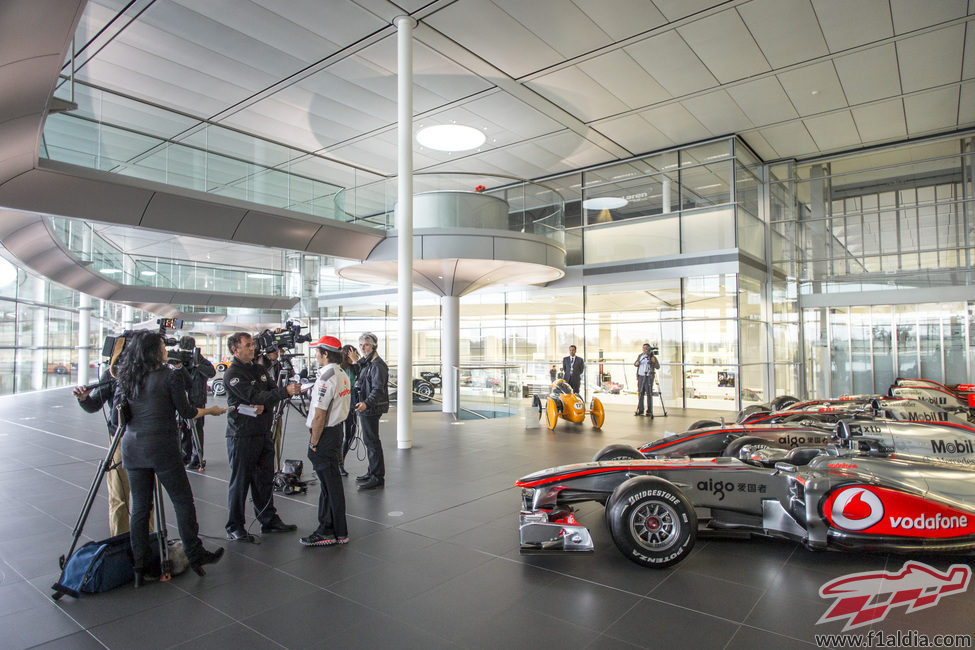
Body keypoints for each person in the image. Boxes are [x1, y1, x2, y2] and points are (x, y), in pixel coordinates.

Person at [114, 331, 225, 586]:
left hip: (133, 449)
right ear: (155, 351)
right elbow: (186, 411)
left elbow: (117, 418)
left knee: (140, 509)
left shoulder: (127, 377)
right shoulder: (170, 377)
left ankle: (140, 565)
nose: (167, 350)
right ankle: (195, 554)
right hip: (162, 448)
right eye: (163, 346)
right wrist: (210, 410)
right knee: (182, 501)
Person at [223, 332, 301, 541]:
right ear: (235, 349)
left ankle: (268, 519)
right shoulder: (233, 374)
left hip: (262, 432)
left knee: (264, 479)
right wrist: (272, 396)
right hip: (242, 435)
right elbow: (255, 396)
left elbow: (270, 392)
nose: (252, 348)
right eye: (248, 345)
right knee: (240, 482)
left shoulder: (259, 370)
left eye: (253, 344)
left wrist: (269, 398)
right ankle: (234, 525)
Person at [300, 336, 351, 546]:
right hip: (337, 432)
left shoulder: (326, 376)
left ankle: (328, 530)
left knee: (329, 485)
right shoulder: (342, 373)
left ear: (326, 354)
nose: (315, 355)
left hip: (326, 434)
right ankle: (337, 530)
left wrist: (314, 442)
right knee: (332, 484)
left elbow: (320, 415)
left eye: (317, 351)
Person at [74, 369, 136, 535]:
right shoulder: (112, 373)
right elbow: (94, 404)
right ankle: (119, 543)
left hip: (145, 439)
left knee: (144, 499)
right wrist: (84, 398)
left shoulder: (152, 369)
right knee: (118, 495)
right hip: (119, 439)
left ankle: (146, 543)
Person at [175, 336, 216, 470]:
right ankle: (184, 456)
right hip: (181, 400)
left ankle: (197, 458)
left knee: (196, 431)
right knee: (183, 430)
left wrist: (197, 365)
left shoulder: (200, 360)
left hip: (196, 400)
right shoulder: (177, 360)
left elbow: (211, 372)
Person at [354, 331, 388, 491]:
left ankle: (377, 476)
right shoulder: (368, 363)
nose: (363, 348)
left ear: (373, 346)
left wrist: (367, 404)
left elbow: (378, 389)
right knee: (370, 441)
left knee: (372, 442)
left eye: (366, 345)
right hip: (366, 406)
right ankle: (372, 472)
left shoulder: (377, 365)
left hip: (371, 408)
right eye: (361, 345)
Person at [255, 341, 286, 470]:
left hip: (276, 404)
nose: (277, 354)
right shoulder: (259, 362)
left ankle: (276, 467)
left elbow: (288, 376)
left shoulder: (278, 364)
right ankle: (267, 468)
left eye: (279, 351)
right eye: (275, 351)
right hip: (263, 408)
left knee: (276, 438)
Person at [339, 344, 360, 477]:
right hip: (341, 399)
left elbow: (363, 373)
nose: (355, 357)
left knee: (351, 432)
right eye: (352, 354)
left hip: (352, 399)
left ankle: (341, 459)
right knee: (339, 434)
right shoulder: (339, 368)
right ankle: (339, 463)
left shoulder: (354, 368)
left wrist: (356, 361)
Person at [633, 343, 660, 418]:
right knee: (640, 393)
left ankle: (649, 411)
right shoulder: (640, 356)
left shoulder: (652, 357)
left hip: (649, 377)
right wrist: (636, 363)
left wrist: (653, 361)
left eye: (646, 348)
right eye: (643, 348)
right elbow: (635, 364)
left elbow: (658, 366)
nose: (644, 350)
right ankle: (640, 410)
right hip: (641, 376)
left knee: (649, 394)